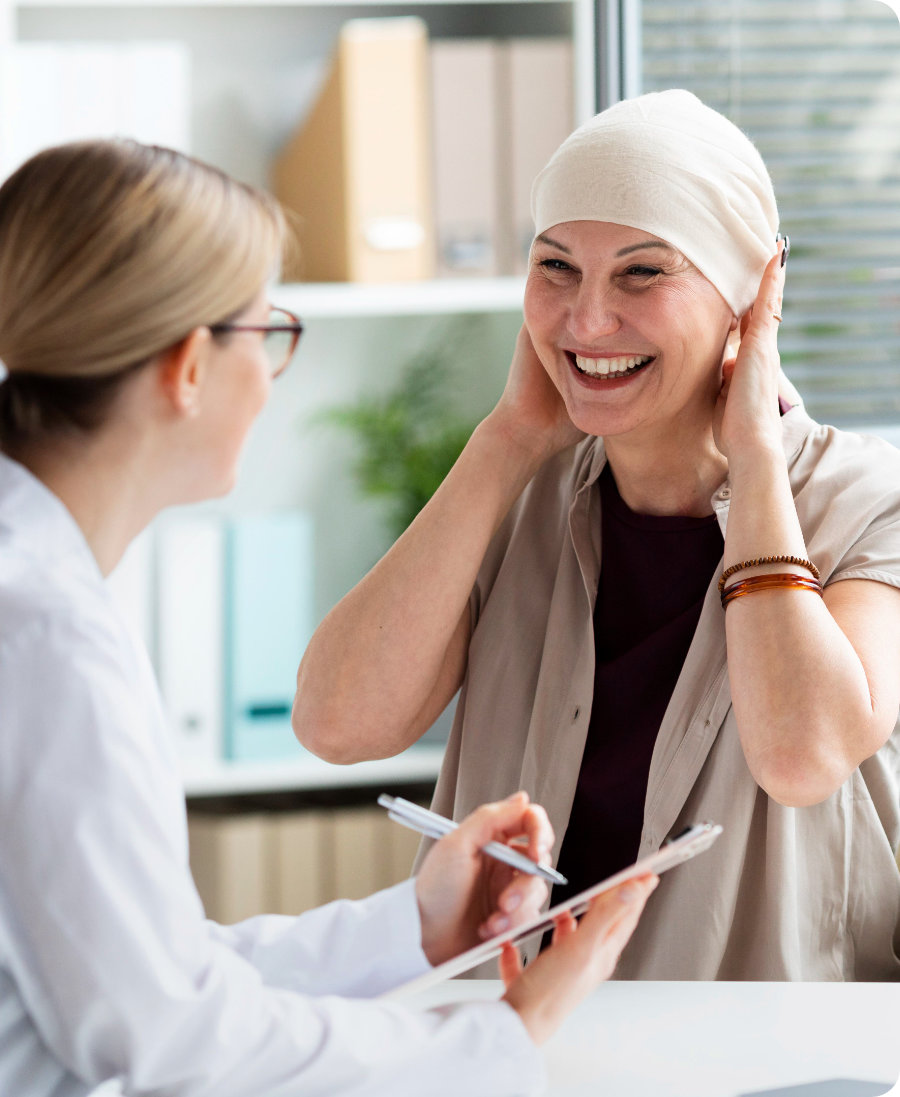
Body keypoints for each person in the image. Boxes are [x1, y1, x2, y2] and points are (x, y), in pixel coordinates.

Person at [0, 139, 659, 1097]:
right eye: (270, 334)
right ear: (190, 365)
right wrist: (506, 1035)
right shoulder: (46, 639)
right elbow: (166, 1038)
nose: (273, 376)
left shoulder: (39, 595)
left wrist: (416, 924)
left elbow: (145, 965)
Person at [292, 89, 900, 981]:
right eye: (557, 267)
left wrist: (756, 459)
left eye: (643, 271)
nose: (586, 320)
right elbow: (337, 725)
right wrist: (505, 440)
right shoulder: (518, 490)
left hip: (764, 1061)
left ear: (747, 300)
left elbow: (802, 754)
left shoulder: (862, 501)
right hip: (516, 1043)